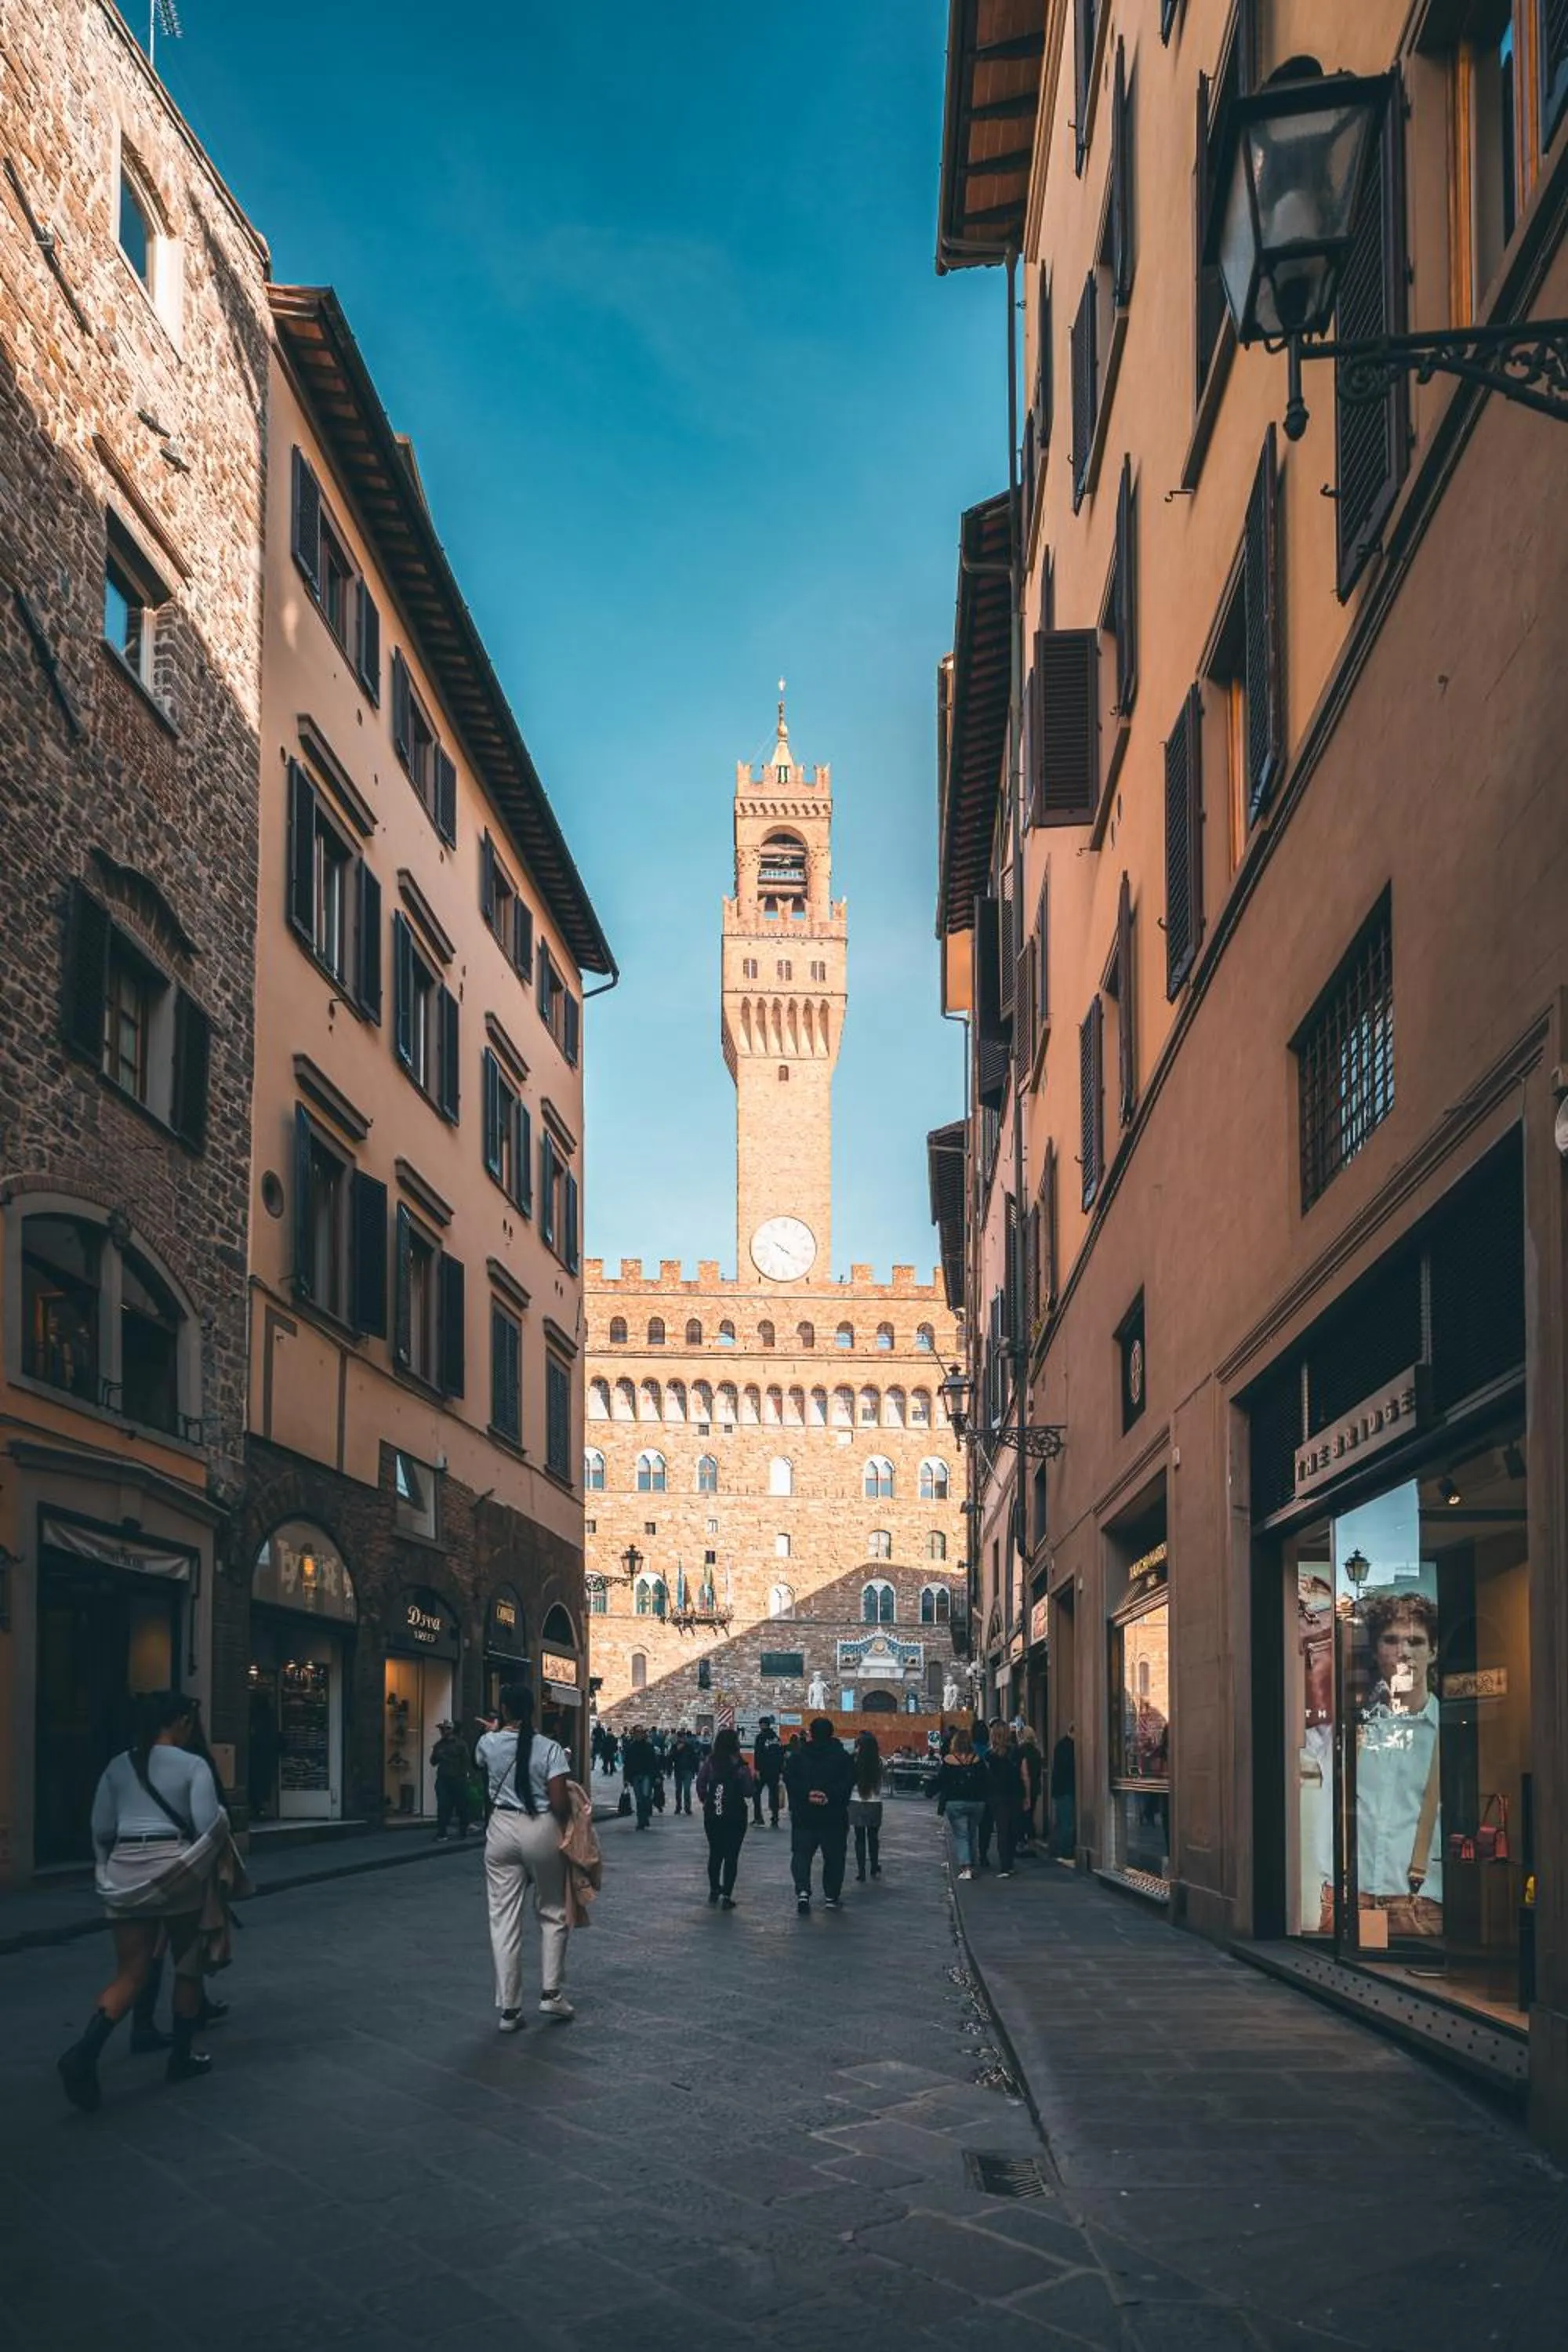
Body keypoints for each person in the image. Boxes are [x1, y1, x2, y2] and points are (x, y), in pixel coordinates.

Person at [58, 1691, 231, 2110]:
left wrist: (109, 1867)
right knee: (188, 1966)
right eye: (188, 1721)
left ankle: (85, 2052)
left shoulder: (118, 1765)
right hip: (176, 1870)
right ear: (176, 1722)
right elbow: (208, 1824)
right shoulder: (192, 1765)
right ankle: (181, 2057)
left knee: (131, 1972)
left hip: (125, 1867)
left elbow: (101, 1827)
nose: (191, 1728)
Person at [477, 1683, 575, 2030]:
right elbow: (560, 1802)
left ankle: (509, 2010)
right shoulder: (550, 1749)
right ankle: (551, 1994)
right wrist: (562, 1831)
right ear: (534, 1709)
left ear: (503, 1710)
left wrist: (495, 1733)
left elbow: (488, 1758)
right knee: (552, 1912)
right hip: (541, 1826)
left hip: (501, 1828)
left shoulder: (486, 1743)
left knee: (503, 1919)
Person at [783, 1718, 853, 1913]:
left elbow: (790, 1779)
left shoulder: (799, 1755)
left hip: (804, 1815)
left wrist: (807, 1794)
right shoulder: (842, 1757)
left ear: (811, 1733)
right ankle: (831, 1896)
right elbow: (848, 1782)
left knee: (801, 1855)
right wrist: (828, 1795)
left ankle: (803, 1892)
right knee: (834, 1857)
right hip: (833, 1816)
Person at [695, 1728, 754, 1908]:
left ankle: (714, 1889)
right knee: (731, 1856)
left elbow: (700, 1784)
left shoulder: (710, 1763)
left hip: (714, 1814)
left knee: (715, 1853)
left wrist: (709, 1800)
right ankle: (727, 1895)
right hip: (735, 1815)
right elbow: (748, 1791)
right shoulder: (740, 1766)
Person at [936, 1724, 989, 1880]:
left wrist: (930, 1791)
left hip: (955, 1803)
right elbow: (986, 1781)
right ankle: (972, 1862)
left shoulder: (949, 1760)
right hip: (977, 1803)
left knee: (961, 1835)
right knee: (971, 1833)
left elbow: (941, 1781)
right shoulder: (978, 1759)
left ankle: (966, 1867)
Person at [985, 1720, 1025, 1879]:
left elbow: (987, 1777)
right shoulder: (1016, 1752)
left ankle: (1005, 1865)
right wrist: (1027, 1795)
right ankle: (1009, 1863)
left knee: (1002, 1830)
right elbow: (1025, 1775)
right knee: (1013, 1829)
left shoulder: (989, 1755)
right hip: (1015, 1793)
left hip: (997, 1796)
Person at [848, 1732, 884, 1883]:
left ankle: (861, 1871)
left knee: (859, 1839)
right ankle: (874, 1866)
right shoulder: (880, 1762)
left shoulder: (854, 1761)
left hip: (856, 1801)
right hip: (875, 1802)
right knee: (873, 1837)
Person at [431, 1720, 476, 1841]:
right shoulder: (439, 1745)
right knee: (443, 1806)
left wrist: (466, 1776)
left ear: (451, 1730)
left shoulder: (461, 1744)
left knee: (462, 1806)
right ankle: (442, 1832)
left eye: (446, 1729)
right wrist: (438, 1756)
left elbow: (466, 1761)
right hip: (444, 1779)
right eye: (442, 1729)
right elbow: (433, 1762)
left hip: (458, 1779)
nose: (443, 1731)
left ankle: (463, 1830)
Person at [1051, 1724, 1077, 1862]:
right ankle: (1065, 1851)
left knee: (1062, 1821)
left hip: (1060, 1789)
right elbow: (1068, 1769)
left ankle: (1058, 1849)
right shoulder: (1068, 1747)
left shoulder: (1061, 1745)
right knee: (1067, 1822)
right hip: (1066, 1789)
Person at [752, 1717, 785, 1827]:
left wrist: (757, 1769)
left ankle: (758, 1818)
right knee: (774, 1794)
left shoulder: (760, 1737)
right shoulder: (776, 1738)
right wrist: (780, 1771)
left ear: (762, 1725)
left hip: (763, 1770)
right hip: (774, 1771)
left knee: (756, 1793)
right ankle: (775, 1818)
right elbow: (780, 1755)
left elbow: (758, 1755)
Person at [622, 1723, 656, 1828]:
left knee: (645, 1797)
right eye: (637, 1732)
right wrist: (626, 1778)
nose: (638, 1735)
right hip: (636, 1775)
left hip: (646, 1775)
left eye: (640, 1732)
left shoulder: (648, 1747)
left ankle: (644, 1817)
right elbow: (627, 1764)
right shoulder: (631, 1747)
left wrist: (656, 1776)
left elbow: (654, 1762)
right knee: (639, 1798)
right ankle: (641, 1820)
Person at [1016, 1725, 1043, 1852]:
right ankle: (1030, 1841)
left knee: (1022, 1815)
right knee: (1030, 1814)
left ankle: (1022, 1841)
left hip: (1022, 1787)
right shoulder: (1037, 1752)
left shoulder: (1020, 1751)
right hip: (1035, 1788)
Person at [670, 1729, 699, 1817]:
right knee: (678, 1790)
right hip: (678, 1770)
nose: (682, 1739)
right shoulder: (674, 1747)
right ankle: (678, 1807)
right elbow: (671, 1758)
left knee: (686, 1790)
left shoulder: (689, 1747)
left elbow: (694, 1759)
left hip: (688, 1770)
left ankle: (687, 1807)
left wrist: (695, 1771)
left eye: (683, 1737)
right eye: (680, 1737)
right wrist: (676, 1751)